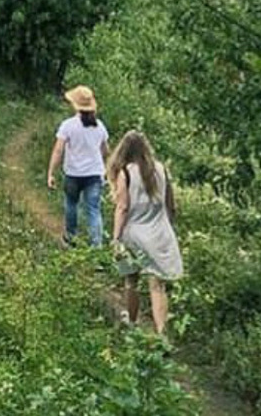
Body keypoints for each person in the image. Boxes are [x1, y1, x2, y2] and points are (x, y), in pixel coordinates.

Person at [108, 130, 183, 335]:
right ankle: (161, 333)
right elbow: (171, 205)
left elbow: (122, 208)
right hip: (159, 234)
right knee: (157, 286)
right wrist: (170, 227)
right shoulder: (160, 169)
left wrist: (115, 238)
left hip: (133, 235)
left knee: (131, 281)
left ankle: (132, 324)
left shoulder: (125, 173)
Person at [47, 85, 110, 246]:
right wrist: (106, 169)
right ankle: (97, 246)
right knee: (93, 210)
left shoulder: (68, 125)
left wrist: (51, 173)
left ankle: (71, 238)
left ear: (75, 105)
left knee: (71, 204)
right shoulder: (99, 126)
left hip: (73, 173)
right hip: (95, 174)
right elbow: (106, 151)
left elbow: (58, 150)